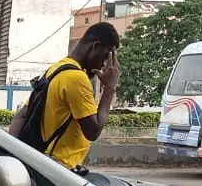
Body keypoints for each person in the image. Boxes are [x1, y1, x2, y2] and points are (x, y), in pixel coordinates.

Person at [9, 22, 121, 175]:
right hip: (59, 170)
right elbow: (93, 131)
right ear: (95, 46)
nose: (105, 65)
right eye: (106, 55)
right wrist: (110, 88)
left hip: (42, 163)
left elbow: (22, 115)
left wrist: (15, 154)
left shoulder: (55, 69)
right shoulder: (76, 78)